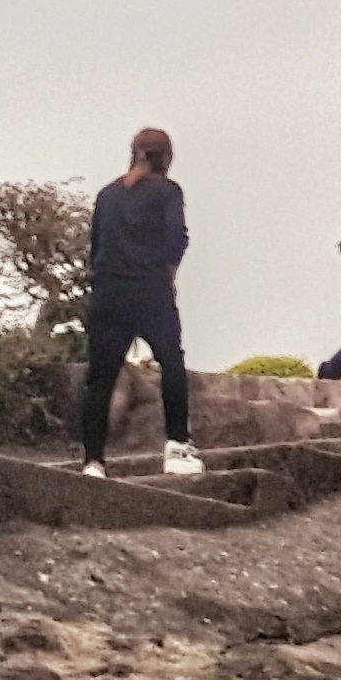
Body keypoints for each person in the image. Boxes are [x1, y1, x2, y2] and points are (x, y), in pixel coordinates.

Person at [82, 126, 201, 478]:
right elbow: (177, 240)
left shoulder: (107, 195)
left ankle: (93, 460)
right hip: (151, 288)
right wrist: (169, 277)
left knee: (100, 377)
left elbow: (96, 247)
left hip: (108, 292)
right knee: (171, 364)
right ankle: (177, 448)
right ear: (167, 157)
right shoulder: (168, 192)